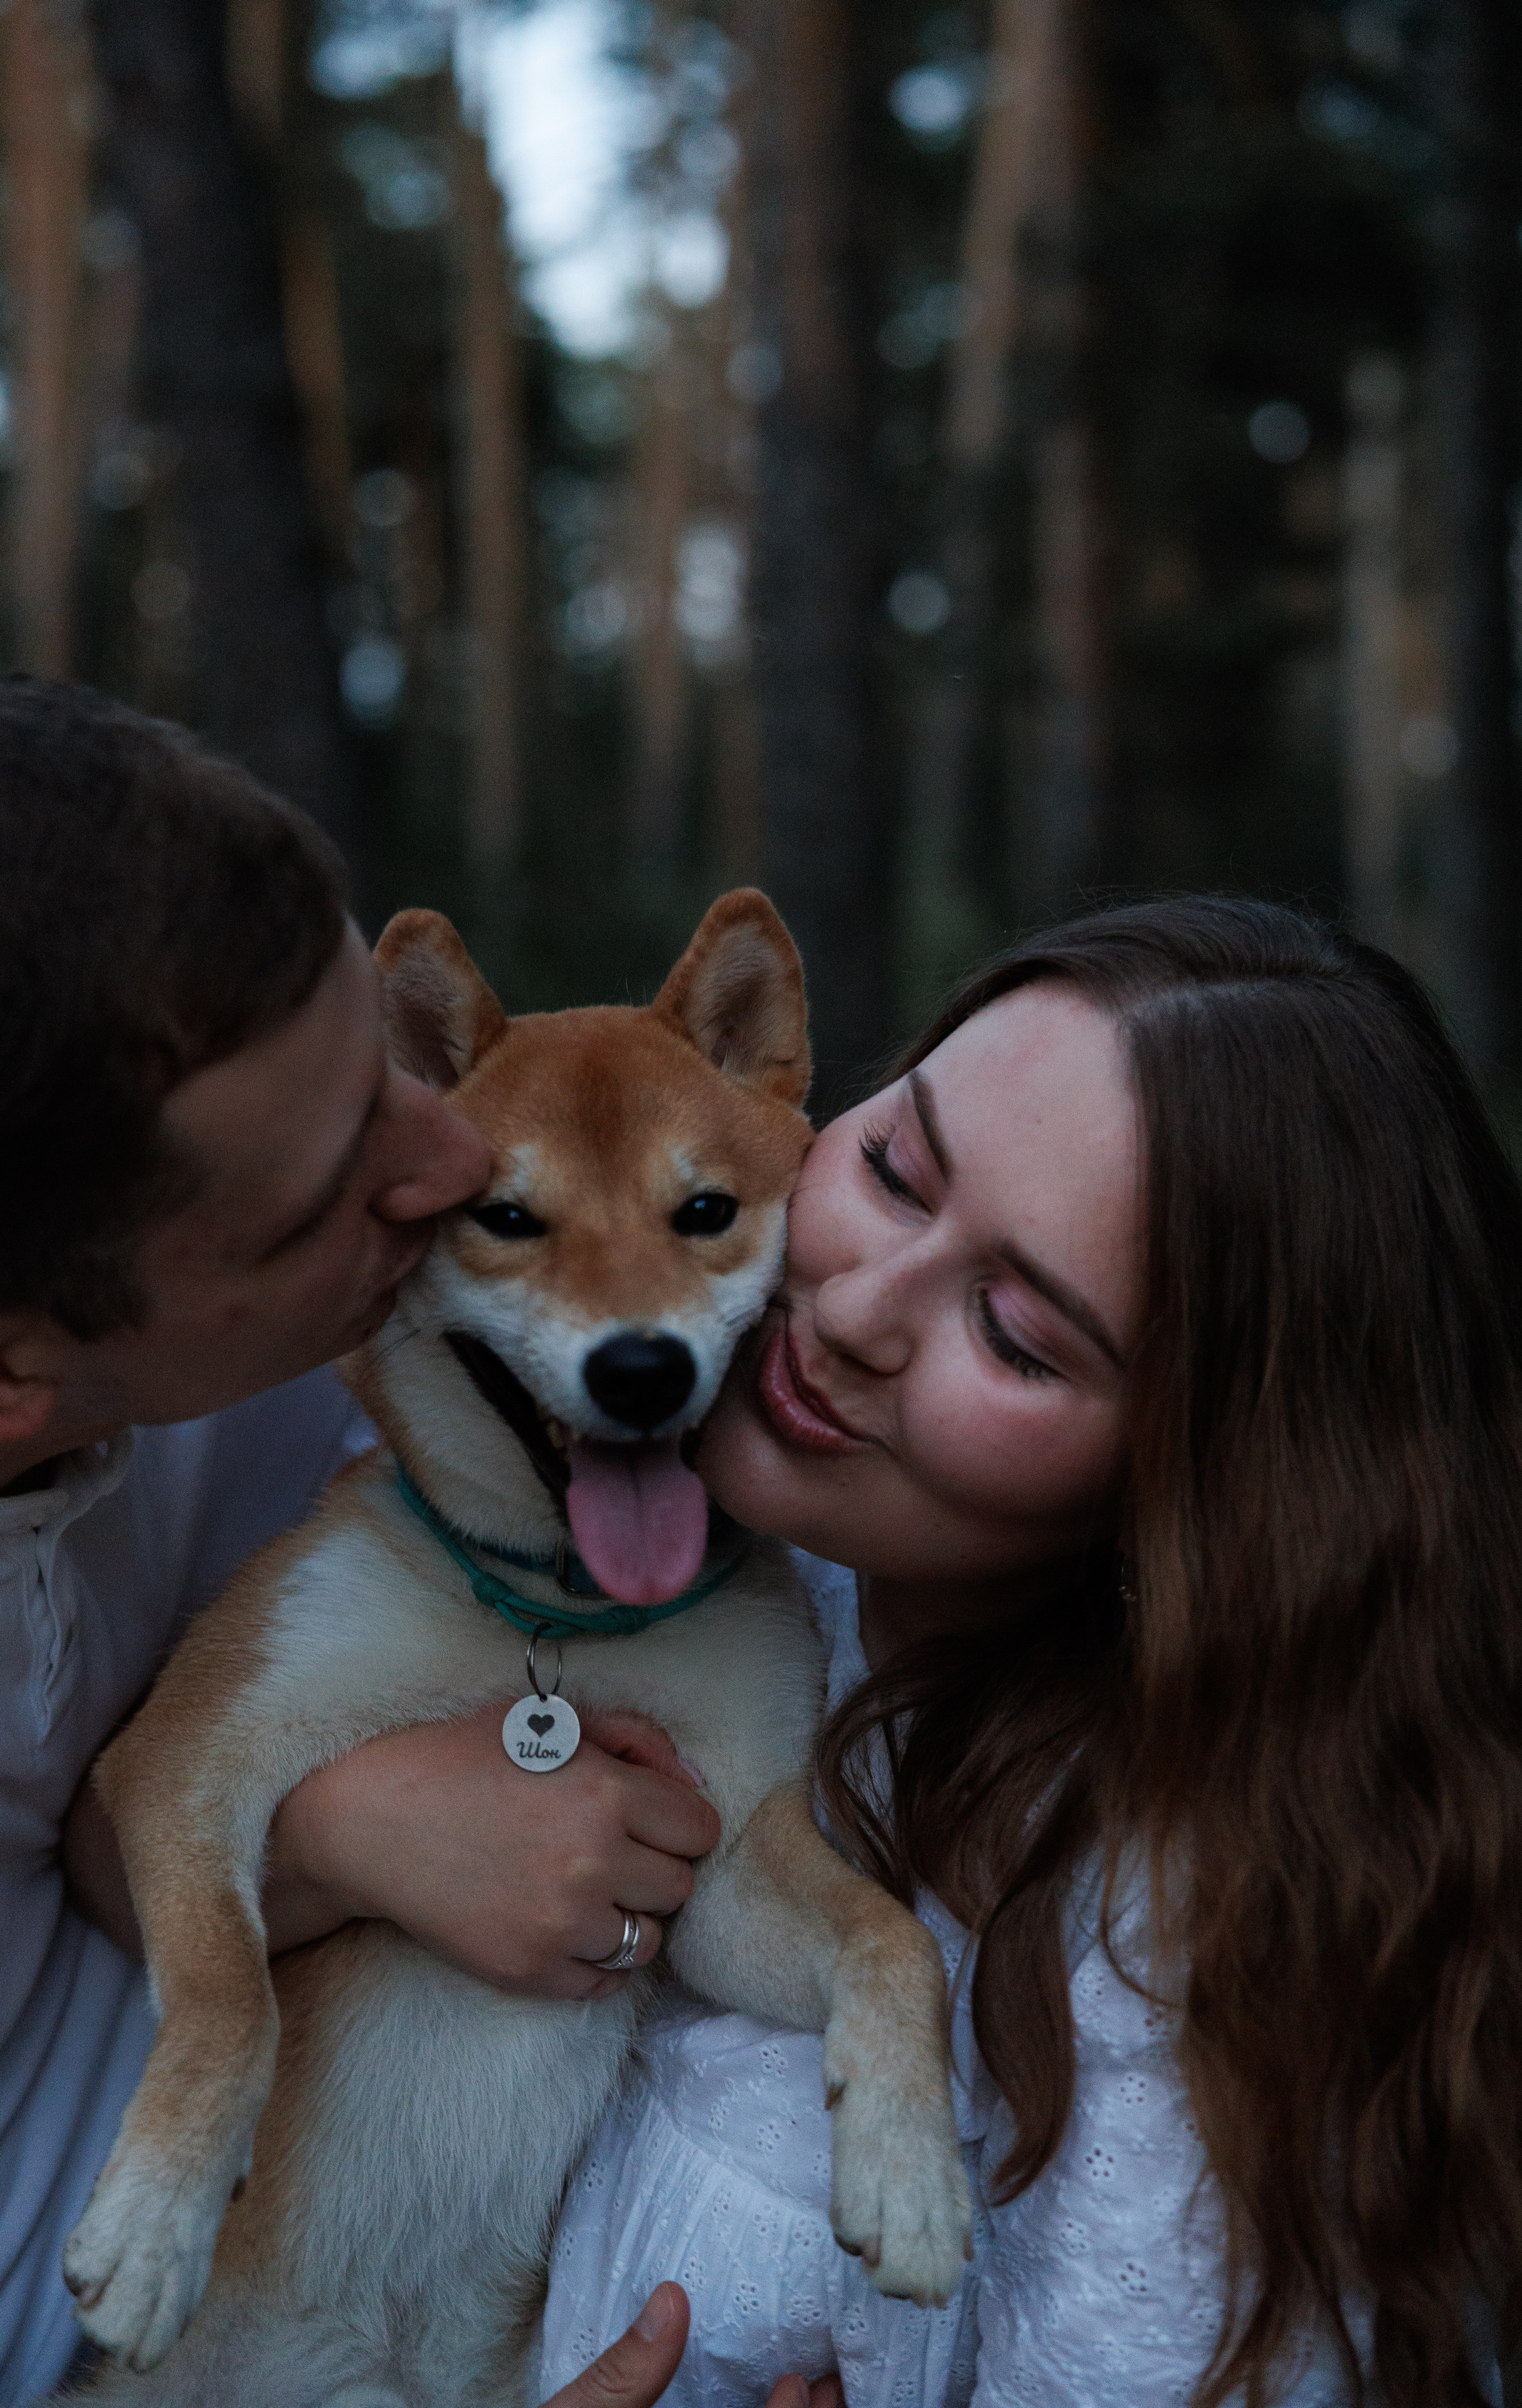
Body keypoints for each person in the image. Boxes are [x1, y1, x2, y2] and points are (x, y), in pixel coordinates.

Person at [541, 898, 1522, 2408]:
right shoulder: (569, 1437)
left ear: (1205, 1488)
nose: (854, 1310)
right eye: (892, 1168)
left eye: (1013, 1331)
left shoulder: (1180, 1936)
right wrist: (347, 1844)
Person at [0, 673, 726, 2408]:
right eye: (334, 1176)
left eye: (387, 1060)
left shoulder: (299, 1347)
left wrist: (336, 1824)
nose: (451, 1156)